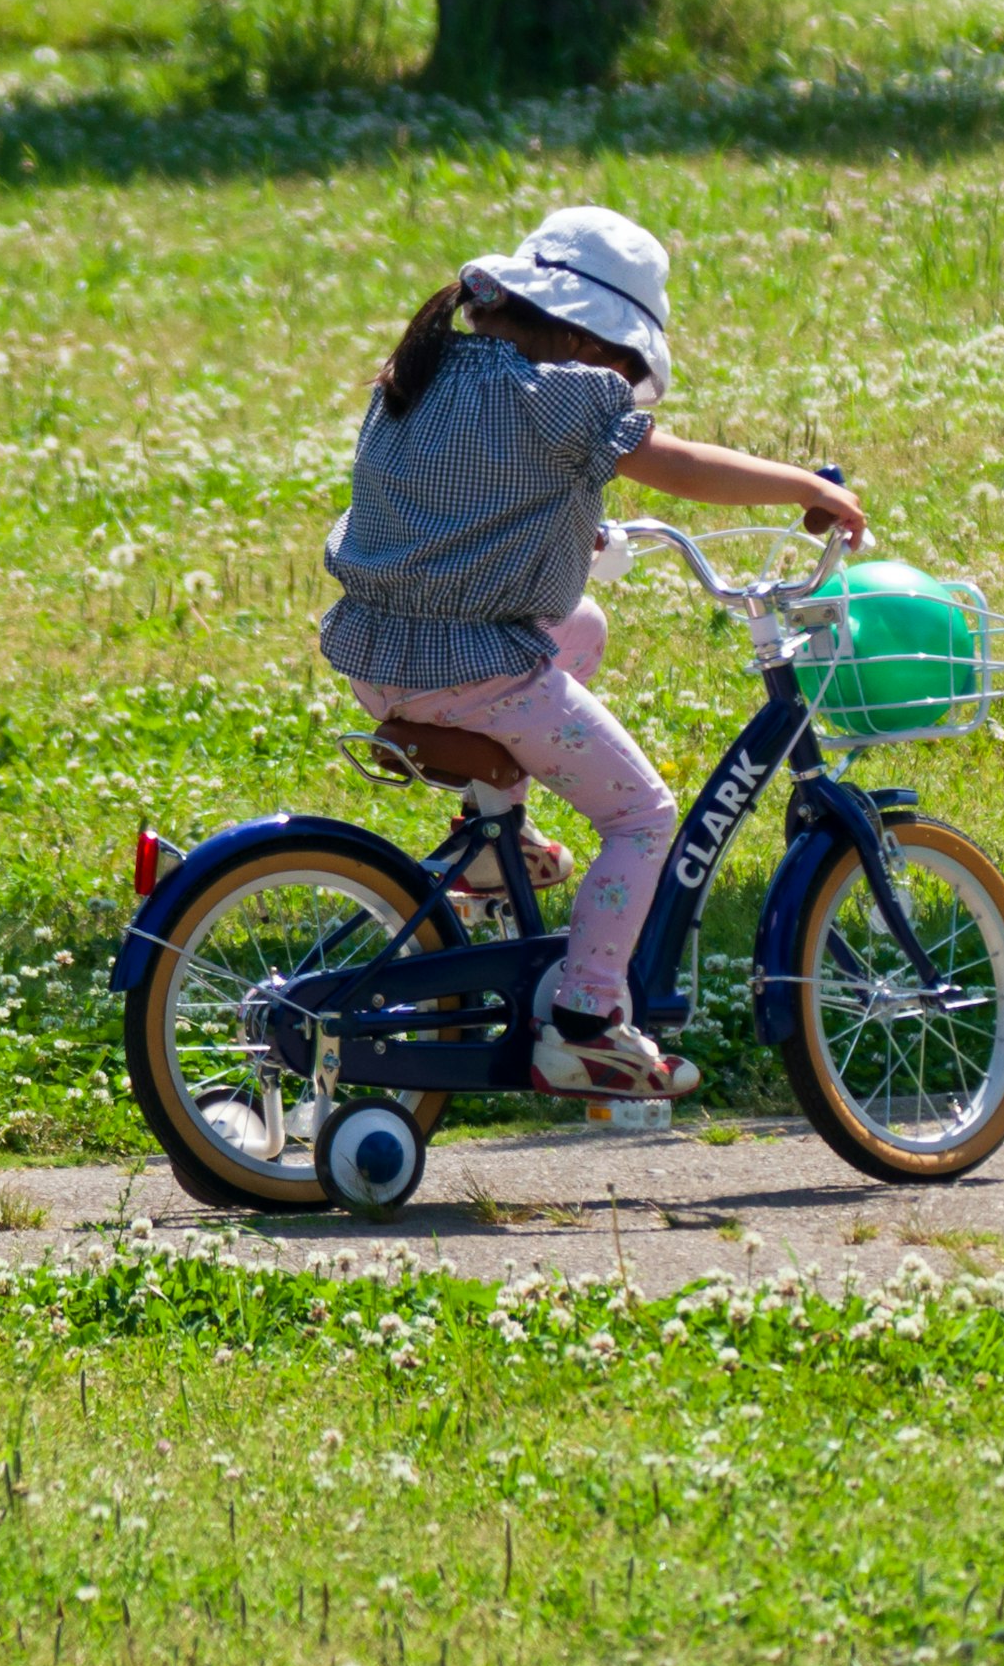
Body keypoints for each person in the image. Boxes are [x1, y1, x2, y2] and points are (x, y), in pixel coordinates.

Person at [322, 206, 868, 1103]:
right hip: (474, 673)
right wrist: (806, 484)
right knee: (643, 818)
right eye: (624, 362)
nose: (621, 381)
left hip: (378, 649)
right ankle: (585, 1025)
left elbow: (467, 502)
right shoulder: (564, 394)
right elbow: (683, 466)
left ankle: (494, 834)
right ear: (584, 336)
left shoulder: (423, 373)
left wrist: (581, 530)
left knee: (581, 627)